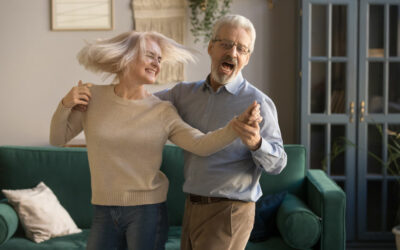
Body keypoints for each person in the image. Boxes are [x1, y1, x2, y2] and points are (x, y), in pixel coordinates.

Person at [49, 31, 261, 250]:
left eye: (159, 59)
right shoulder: (93, 97)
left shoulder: (162, 110)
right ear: (127, 55)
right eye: (150, 56)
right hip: (103, 210)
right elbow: (57, 138)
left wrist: (237, 126)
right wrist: (66, 103)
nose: (156, 64)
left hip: (147, 213)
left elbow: (201, 144)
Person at [155, 15, 287, 250]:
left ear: (246, 58)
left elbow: (278, 164)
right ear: (210, 47)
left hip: (231, 211)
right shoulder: (183, 94)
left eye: (241, 48)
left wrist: (257, 143)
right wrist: (97, 97)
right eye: (225, 44)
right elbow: (139, 105)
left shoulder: (259, 103)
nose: (232, 53)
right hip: (192, 207)